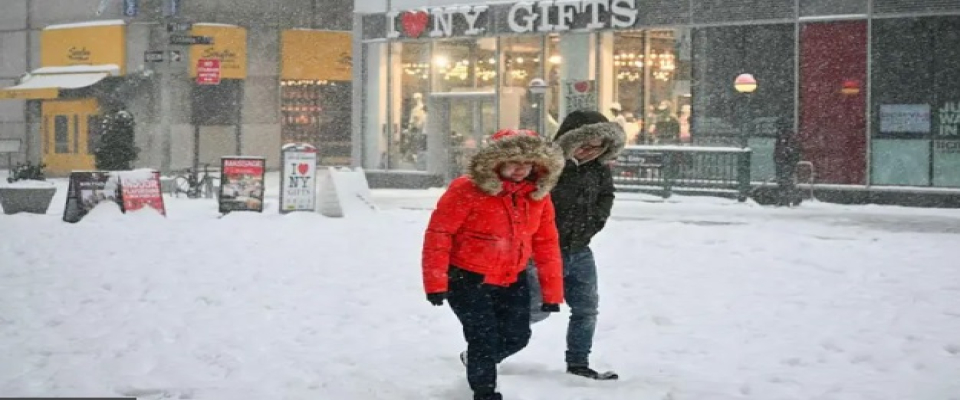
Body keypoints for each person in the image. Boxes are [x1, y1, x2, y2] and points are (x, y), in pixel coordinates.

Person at [421, 128, 567, 400]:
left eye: (528, 163)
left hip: (513, 279)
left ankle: (477, 360)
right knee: (483, 339)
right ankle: (484, 392)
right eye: (514, 161)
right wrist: (436, 282)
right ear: (495, 161)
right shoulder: (466, 189)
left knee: (517, 337)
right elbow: (439, 235)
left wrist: (552, 293)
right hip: (467, 279)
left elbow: (547, 245)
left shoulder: (538, 196)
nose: (521, 169)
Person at [549, 110, 626, 380]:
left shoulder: (599, 169)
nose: (592, 152)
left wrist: (593, 224)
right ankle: (486, 353)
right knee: (532, 310)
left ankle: (578, 363)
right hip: (545, 252)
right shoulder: (548, 167)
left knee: (586, 308)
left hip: (580, 248)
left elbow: (606, 196)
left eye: (599, 147)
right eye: (586, 145)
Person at [773, 118, 802, 207]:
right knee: (784, 180)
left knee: (785, 180)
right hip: (784, 161)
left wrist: (784, 155)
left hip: (786, 161)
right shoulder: (782, 136)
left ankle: (788, 199)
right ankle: (787, 199)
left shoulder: (788, 136)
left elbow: (791, 150)